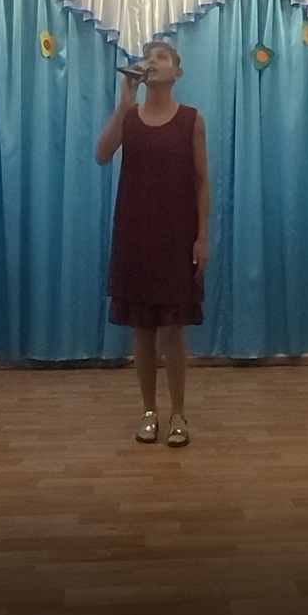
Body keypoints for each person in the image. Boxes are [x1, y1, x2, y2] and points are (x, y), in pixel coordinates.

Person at [96, 41, 209, 447]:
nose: (152, 62)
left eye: (162, 57)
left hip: (177, 234)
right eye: (148, 57)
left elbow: (201, 181)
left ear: (177, 71)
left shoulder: (192, 119)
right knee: (142, 330)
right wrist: (124, 101)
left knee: (174, 330)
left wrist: (202, 236)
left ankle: (178, 413)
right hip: (136, 234)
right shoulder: (130, 117)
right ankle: (149, 411)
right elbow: (102, 154)